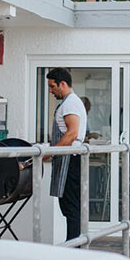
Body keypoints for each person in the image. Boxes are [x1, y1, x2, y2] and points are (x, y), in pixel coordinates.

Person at [46, 68, 88, 241]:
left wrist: (51, 152)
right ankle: (73, 244)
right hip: (68, 158)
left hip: (70, 159)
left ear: (62, 84)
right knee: (68, 206)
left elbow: (71, 133)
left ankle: (74, 247)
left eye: (52, 86)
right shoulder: (69, 102)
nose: (50, 91)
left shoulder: (70, 103)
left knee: (71, 207)